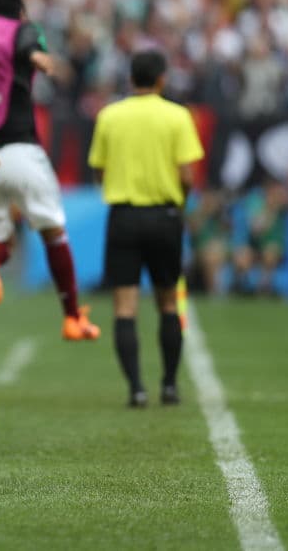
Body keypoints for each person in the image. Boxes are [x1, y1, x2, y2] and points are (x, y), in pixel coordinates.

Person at [0, 0, 99, 341]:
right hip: (20, 150)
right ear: (19, 11)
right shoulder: (19, 30)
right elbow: (29, 43)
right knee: (52, 231)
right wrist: (38, 58)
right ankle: (73, 316)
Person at [87, 50, 204, 407]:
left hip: (123, 216)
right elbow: (186, 174)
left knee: (125, 306)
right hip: (165, 216)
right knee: (169, 302)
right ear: (162, 79)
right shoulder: (177, 116)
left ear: (130, 79)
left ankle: (136, 388)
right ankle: (169, 385)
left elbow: (99, 170)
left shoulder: (110, 115)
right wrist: (178, 201)